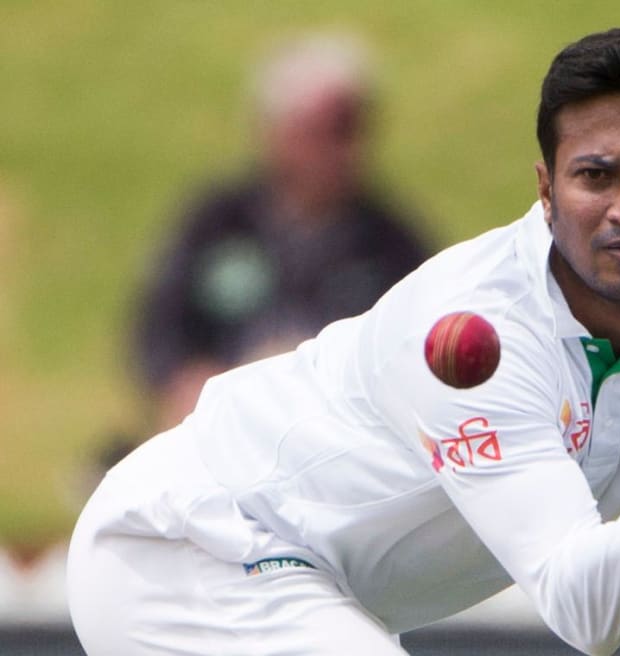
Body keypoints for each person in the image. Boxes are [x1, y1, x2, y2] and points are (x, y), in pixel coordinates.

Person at [68, 19, 620, 656]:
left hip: (320, 590)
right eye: (596, 175)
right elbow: (588, 610)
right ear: (546, 189)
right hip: (193, 549)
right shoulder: (474, 328)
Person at [133, 34, 430, 430]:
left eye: (353, 131)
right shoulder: (217, 223)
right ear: (277, 131)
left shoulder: (391, 245)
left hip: (338, 435)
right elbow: (159, 329)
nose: (342, 151)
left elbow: (420, 354)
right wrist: (185, 380)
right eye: (325, 132)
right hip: (222, 425)